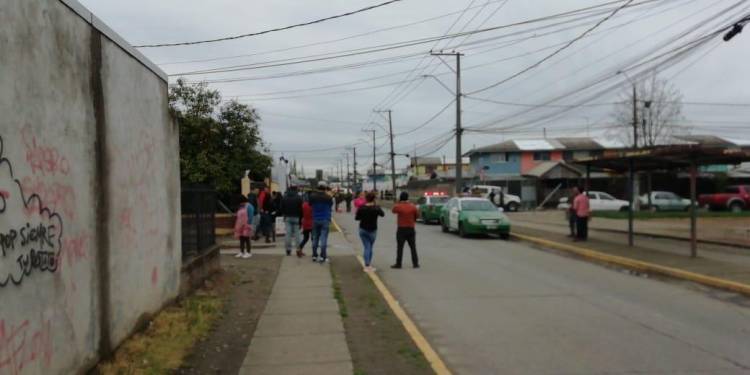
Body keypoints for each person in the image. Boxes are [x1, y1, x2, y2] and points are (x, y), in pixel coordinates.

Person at [355, 192, 385, 272]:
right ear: (374, 199)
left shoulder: (361, 208)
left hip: (363, 229)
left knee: (366, 247)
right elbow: (382, 214)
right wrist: (377, 205)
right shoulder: (376, 208)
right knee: (369, 247)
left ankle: (367, 265)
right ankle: (368, 265)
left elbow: (357, 218)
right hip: (372, 230)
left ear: (366, 199)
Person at [391, 192, 420, 269]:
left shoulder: (399, 206)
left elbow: (393, 210)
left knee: (400, 247)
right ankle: (415, 263)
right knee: (413, 247)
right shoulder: (413, 206)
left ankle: (398, 263)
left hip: (401, 229)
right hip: (411, 228)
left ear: (400, 198)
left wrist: (398, 202)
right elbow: (417, 216)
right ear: (408, 198)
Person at [309, 182, 334, 263]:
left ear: (317, 187)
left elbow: (310, 205)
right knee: (323, 238)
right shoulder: (328, 197)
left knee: (315, 237)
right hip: (325, 219)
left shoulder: (312, 196)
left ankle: (314, 255)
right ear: (325, 188)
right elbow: (330, 206)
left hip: (315, 218)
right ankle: (323, 256)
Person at [280, 186, 303, 256]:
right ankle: (298, 249)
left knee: (288, 234)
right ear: (296, 190)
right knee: (297, 235)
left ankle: (288, 250)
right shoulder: (299, 197)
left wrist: (284, 214)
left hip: (287, 217)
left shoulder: (284, 197)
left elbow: (281, 207)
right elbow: (301, 209)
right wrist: (301, 218)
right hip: (296, 217)